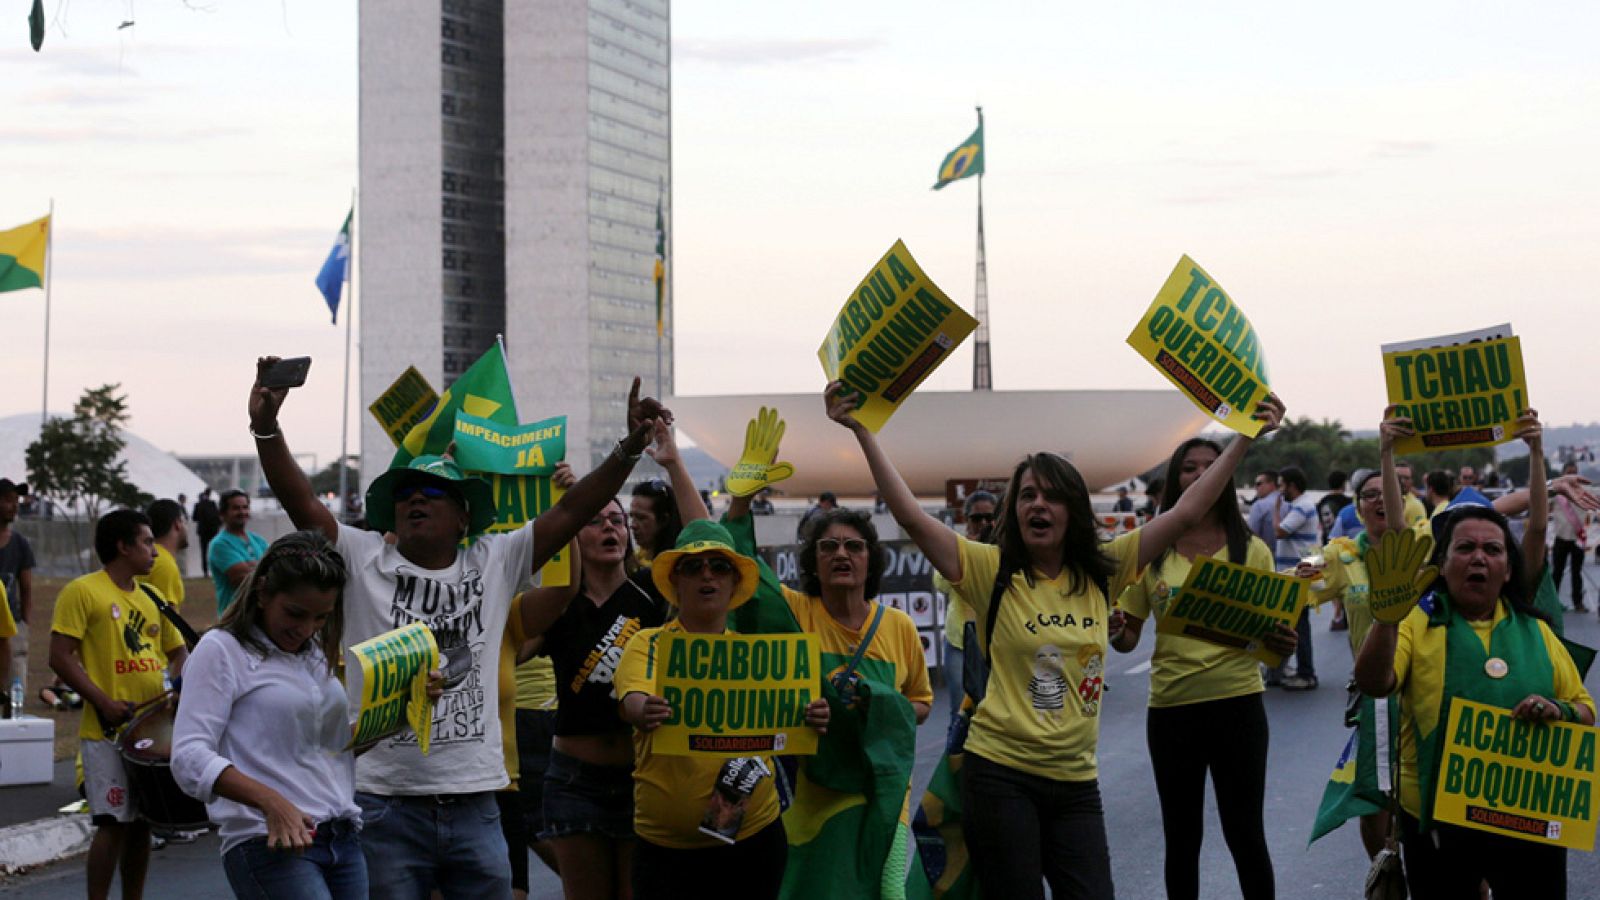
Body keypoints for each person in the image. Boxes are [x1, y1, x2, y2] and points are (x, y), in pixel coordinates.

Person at [825, 379, 1284, 899]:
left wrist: (1246, 438)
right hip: (999, 776)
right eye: (1026, 495)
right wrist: (862, 430)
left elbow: (1182, 513)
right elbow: (910, 514)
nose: (1037, 505)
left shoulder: (1104, 570)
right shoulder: (987, 568)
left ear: (1072, 510)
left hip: (1075, 785)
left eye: (1051, 496)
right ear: (1014, 511)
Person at [249, 357, 669, 899]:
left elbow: (573, 508)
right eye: (405, 494)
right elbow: (300, 499)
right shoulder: (361, 557)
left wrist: (629, 447)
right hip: (383, 801)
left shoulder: (495, 561)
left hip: (476, 800)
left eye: (433, 492)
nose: (415, 498)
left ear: (464, 518)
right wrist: (266, 427)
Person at [172, 530, 441, 900]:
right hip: (270, 842)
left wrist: (404, 707)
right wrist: (273, 803)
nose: (306, 629)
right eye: (295, 613)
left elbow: (329, 748)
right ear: (263, 592)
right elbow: (188, 757)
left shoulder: (312, 653)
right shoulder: (221, 650)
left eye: (321, 618)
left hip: (342, 837)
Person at [1354, 501, 1595, 897]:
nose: (1478, 558)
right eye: (1464, 548)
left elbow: (1585, 711)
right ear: (1442, 565)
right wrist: (1386, 618)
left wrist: (1558, 710)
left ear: (1508, 570)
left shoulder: (1537, 630)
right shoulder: (1416, 622)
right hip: (1437, 821)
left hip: (1529, 815)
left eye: (1493, 550)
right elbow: (1375, 682)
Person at [1111, 437, 1297, 900]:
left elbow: (1273, 637)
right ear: (1175, 481)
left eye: (1208, 467)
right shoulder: (1151, 552)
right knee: (1182, 838)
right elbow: (1127, 637)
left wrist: (1283, 642)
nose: (1197, 476)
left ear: (1225, 475)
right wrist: (1116, 629)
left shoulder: (1252, 550)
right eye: (1188, 468)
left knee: (1245, 834)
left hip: (1239, 706)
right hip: (1172, 710)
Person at [615, 521, 830, 899]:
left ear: (734, 584)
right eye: (693, 566)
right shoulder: (647, 644)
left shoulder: (759, 660)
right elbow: (632, 697)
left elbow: (790, 726)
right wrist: (641, 709)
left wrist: (812, 716)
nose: (707, 575)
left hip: (752, 843)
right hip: (665, 852)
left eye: (719, 566)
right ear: (676, 581)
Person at [516, 493, 669, 900]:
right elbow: (509, 654)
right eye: (594, 520)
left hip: (642, 777)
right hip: (574, 781)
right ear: (572, 536)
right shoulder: (558, 603)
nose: (609, 528)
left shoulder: (653, 596)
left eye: (617, 521)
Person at [49, 509, 189, 900]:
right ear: (122, 546)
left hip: (150, 732)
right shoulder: (82, 591)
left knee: (143, 824)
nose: (154, 552)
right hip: (107, 731)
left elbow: (178, 652)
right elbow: (59, 656)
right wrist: (104, 702)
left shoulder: (153, 596)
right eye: (146, 542)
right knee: (112, 823)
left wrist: (177, 687)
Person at [936, 490, 997, 727]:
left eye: (989, 517)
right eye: (976, 518)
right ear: (967, 520)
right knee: (959, 713)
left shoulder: (1006, 548)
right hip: (960, 641)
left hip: (996, 643)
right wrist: (965, 553)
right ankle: (957, 762)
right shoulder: (957, 547)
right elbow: (940, 584)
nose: (983, 523)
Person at [1272, 466, 1320, 691]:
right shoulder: (1299, 505)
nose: (1280, 491)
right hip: (1292, 574)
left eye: (1282, 485)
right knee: (1288, 623)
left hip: (1298, 575)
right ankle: (1279, 670)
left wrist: (1275, 509)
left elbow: (1280, 532)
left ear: (1292, 485)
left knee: (1299, 625)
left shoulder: (1303, 506)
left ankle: (1306, 673)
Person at [0, 477, 36, 704]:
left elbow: (27, 588)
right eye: (8, 500)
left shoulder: (20, 543)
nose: (15, 506)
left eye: (17, 500)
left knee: (13, 687)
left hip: (10, 624)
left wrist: (24, 624)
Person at [209, 490, 269, 614]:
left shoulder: (258, 540)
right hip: (234, 618)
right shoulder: (220, 544)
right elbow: (243, 579)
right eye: (236, 508)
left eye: (245, 507)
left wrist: (250, 565)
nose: (242, 512)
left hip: (260, 616)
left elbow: (277, 567)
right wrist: (263, 565)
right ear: (223, 514)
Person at [1550, 461, 1588, 612]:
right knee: (1557, 572)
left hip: (1577, 538)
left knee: (1576, 572)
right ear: (1563, 474)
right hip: (1560, 536)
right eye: (1569, 472)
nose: (1572, 476)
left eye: (1574, 472)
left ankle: (1578, 602)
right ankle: (1551, 603)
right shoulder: (1556, 493)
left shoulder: (1584, 491)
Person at [142, 498, 189, 609]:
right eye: (184, 522)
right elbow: (167, 620)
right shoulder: (164, 565)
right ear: (177, 524)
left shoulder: (147, 558)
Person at [630, 479, 681, 566]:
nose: (633, 525)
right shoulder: (634, 561)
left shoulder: (675, 565)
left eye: (641, 518)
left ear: (663, 520)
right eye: (632, 516)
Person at [194, 489, 222, 577]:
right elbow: (218, 516)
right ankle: (217, 569)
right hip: (213, 530)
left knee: (204, 551)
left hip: (203, 531)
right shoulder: (212, 504)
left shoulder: (198, 505)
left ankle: (205, 572)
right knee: (215, 550)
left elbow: (194, 518)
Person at [1246, 471, 1278, 545]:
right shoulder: (1291, 503)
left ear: (1271, 484)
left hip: (1267, 553)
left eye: (1258, 484)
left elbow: (1251, 535)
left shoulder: (1259, 505)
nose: (1255, 487)